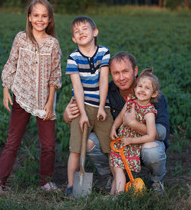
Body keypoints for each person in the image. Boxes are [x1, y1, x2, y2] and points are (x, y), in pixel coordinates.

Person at [64, 51, 169, 194]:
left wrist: (133, 124)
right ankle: (110, 175)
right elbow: (88, 112)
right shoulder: (105, 91)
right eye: (115, 73)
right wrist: (67, 116)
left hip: (141, 143)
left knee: (153, 149)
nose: (121, 78)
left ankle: (156, 181)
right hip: (118, 146)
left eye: (125, 71)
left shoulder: (151, 94)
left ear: (135, 71)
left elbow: (162, 132)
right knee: (90, 141)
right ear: (109, 74)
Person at [0, 0, 62, 197]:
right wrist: (6, 89)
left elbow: (55, 75)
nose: (40, 19)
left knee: (48, 145)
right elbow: (11, 64)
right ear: (29, 18)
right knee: (13, 141)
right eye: (36, 15)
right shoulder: (21, 38)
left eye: (44, 16)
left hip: (44, 100)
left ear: (49, 19)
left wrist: (50, 103)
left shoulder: (53, 44)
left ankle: (45, 182)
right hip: (21, 96)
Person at [65, 16, 113, 197]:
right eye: (76, 32)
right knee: (76, 148)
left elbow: (103, 80)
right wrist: (83, 113)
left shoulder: (104, 52)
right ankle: (71, 186)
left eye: (85, 29)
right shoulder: (73, 58)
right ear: (74, 39)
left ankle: (115, 180)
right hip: (81, 106)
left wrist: (102, 106)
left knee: (110, 147)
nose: (81, 33)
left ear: (95, 32)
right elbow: (77, 86)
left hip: (102, 106)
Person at [109, 68, 160, 195]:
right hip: (122, 142)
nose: (142, 90)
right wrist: (113, 128)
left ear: (154, 94)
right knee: (117, 169)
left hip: (131, 145)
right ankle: (112, 195)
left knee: (119, 170)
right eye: (140, 86)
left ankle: (118, 197)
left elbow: (151, 136)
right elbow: (121, 116)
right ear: (135, 88)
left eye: (147, 88)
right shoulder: (131, 101)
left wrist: (131, 140)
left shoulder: (149, 112)